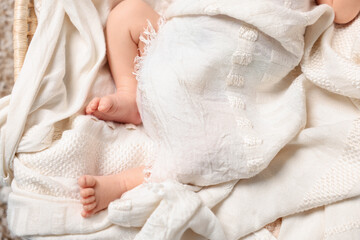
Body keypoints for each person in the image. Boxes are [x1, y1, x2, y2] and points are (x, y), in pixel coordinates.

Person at [79, 0, 159, 218]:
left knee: (199, 164)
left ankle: (123, 183)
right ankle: (130, 94)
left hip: (222, 97)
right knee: (126, 14)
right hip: (181, 51)